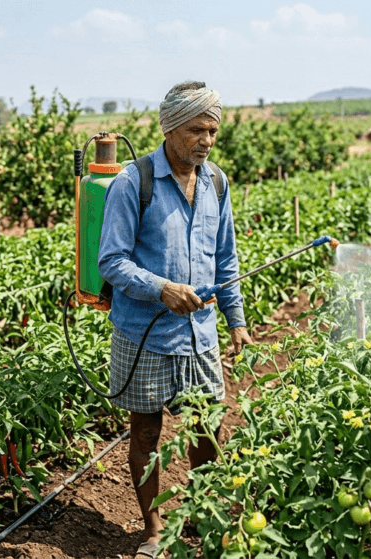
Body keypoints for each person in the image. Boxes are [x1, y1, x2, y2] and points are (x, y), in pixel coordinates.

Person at [98, 81, 252, 559]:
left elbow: (226, 259)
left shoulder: (217, 183)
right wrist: (161, 289)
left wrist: (236, 320)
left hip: (199, 334)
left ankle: (205, 517)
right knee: (145, 433)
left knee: (206, 430)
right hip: (144, 334)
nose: (206, 140)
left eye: (212, 130)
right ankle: (154, 529)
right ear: (170, 129)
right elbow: (112, 261)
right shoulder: (133, 182)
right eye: (196, 130)